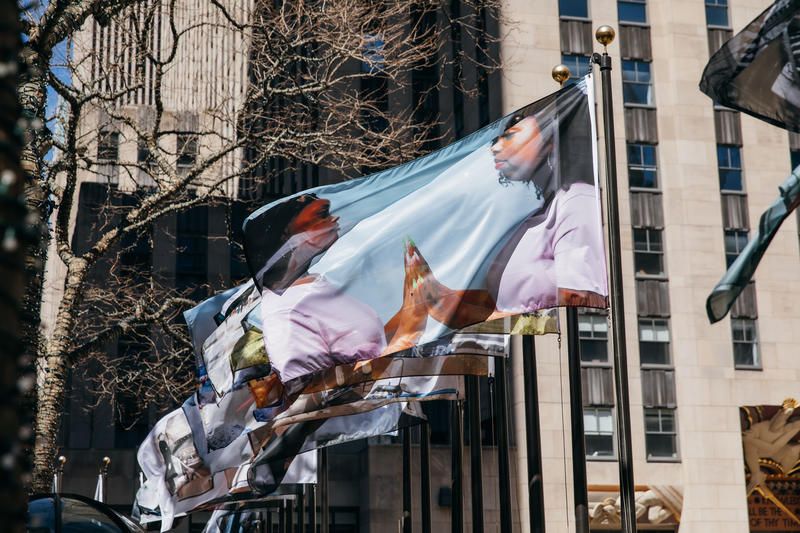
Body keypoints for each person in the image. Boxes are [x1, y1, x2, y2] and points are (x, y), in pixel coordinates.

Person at [408, 105, 607, 330]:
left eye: (510, 137)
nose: (496, 148)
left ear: (550, 143)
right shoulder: (530, 219)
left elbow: (578, 293)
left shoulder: (577, 201)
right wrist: (439, 297)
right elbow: (500, 303)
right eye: (498, 140)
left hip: (559, 352)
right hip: (519, 354)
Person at [250, 194, 431, 383]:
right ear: (286, 233)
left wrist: (412, 305)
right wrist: (410, 329)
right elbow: (315, 394)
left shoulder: (316, 285)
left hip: (393, 410)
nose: (334, 218)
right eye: (322, 214)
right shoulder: (287, 310)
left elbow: (369, 348)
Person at [742, 398, 800, 494]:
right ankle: (756, 475)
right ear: (778, 413)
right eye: (783, 413)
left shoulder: (786, 431)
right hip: (755, 461)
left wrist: (753, 441)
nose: (781, 420)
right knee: (750, 444)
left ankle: (779, 479)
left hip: (776, 461)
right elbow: (747, 442)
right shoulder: (759, 427)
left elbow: (774, 449)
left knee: (795, 449)